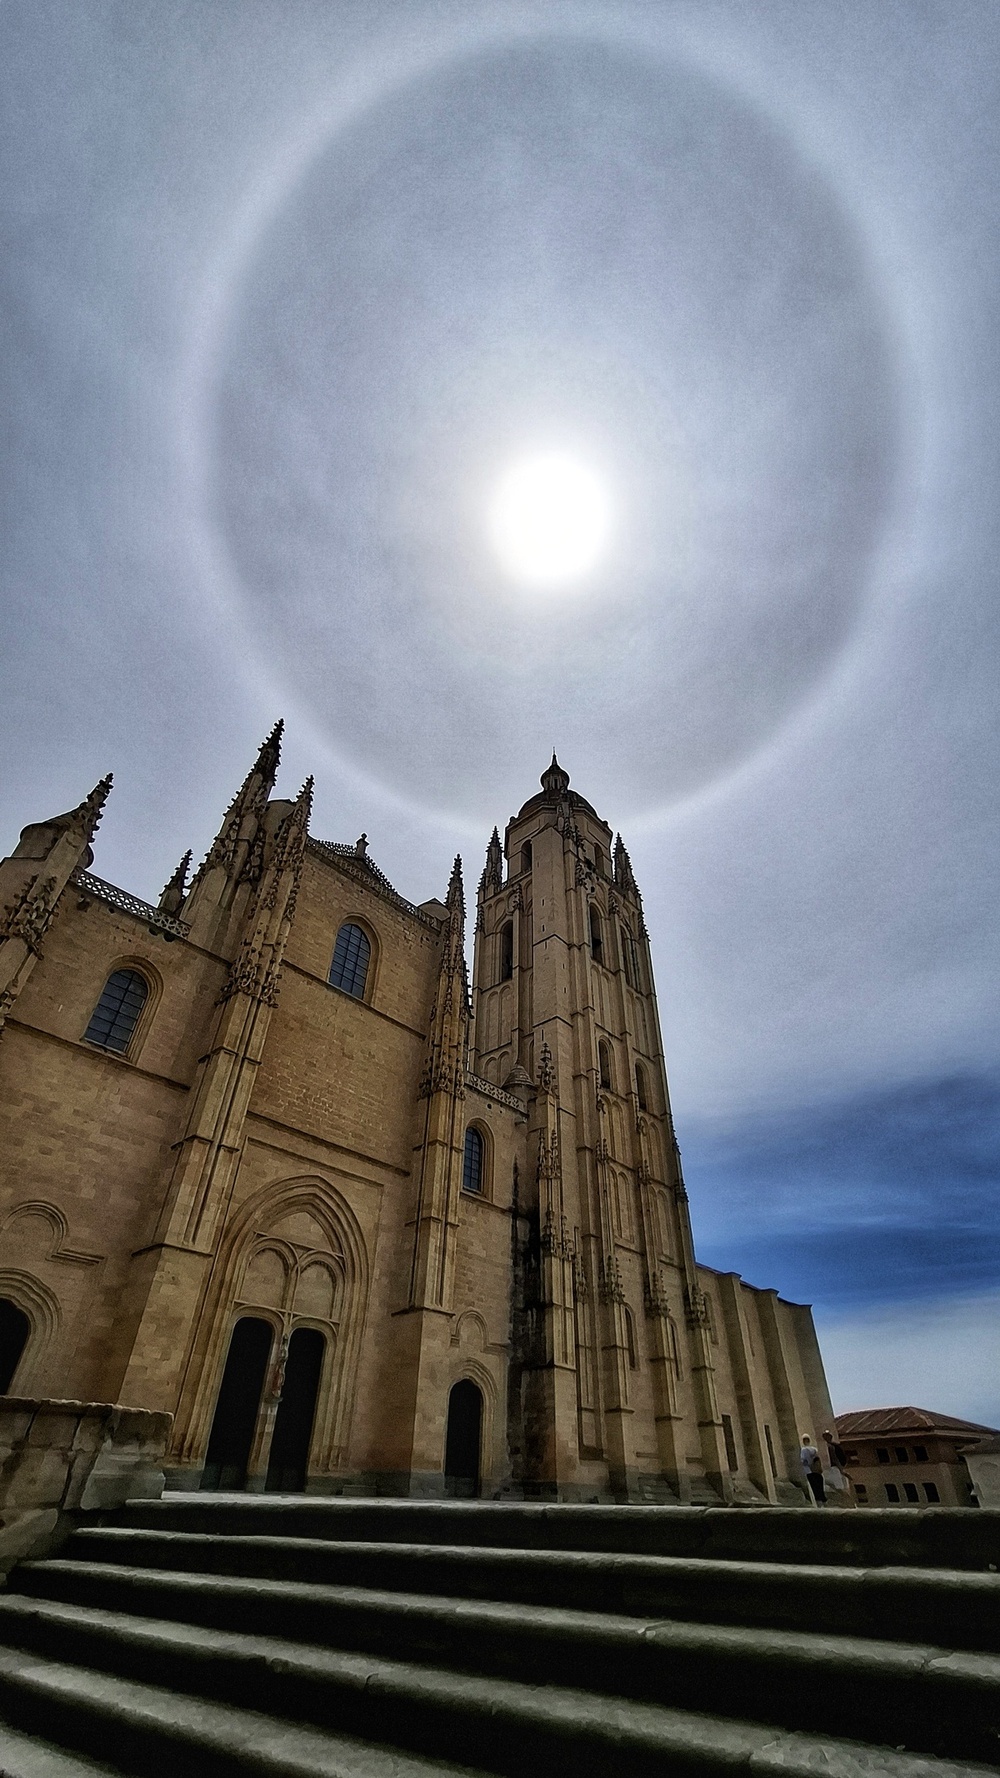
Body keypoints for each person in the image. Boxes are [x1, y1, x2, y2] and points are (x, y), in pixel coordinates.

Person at [799, 1434, 826, 1505]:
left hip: (809, 1471)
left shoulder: (803, 1450)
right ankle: (823, 1501)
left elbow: (803, 1460)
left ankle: (818, 1502)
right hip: (816, 1471)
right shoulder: (814, 1449)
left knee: (814, 1487)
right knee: (819, 1486)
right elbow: (818, 1459)